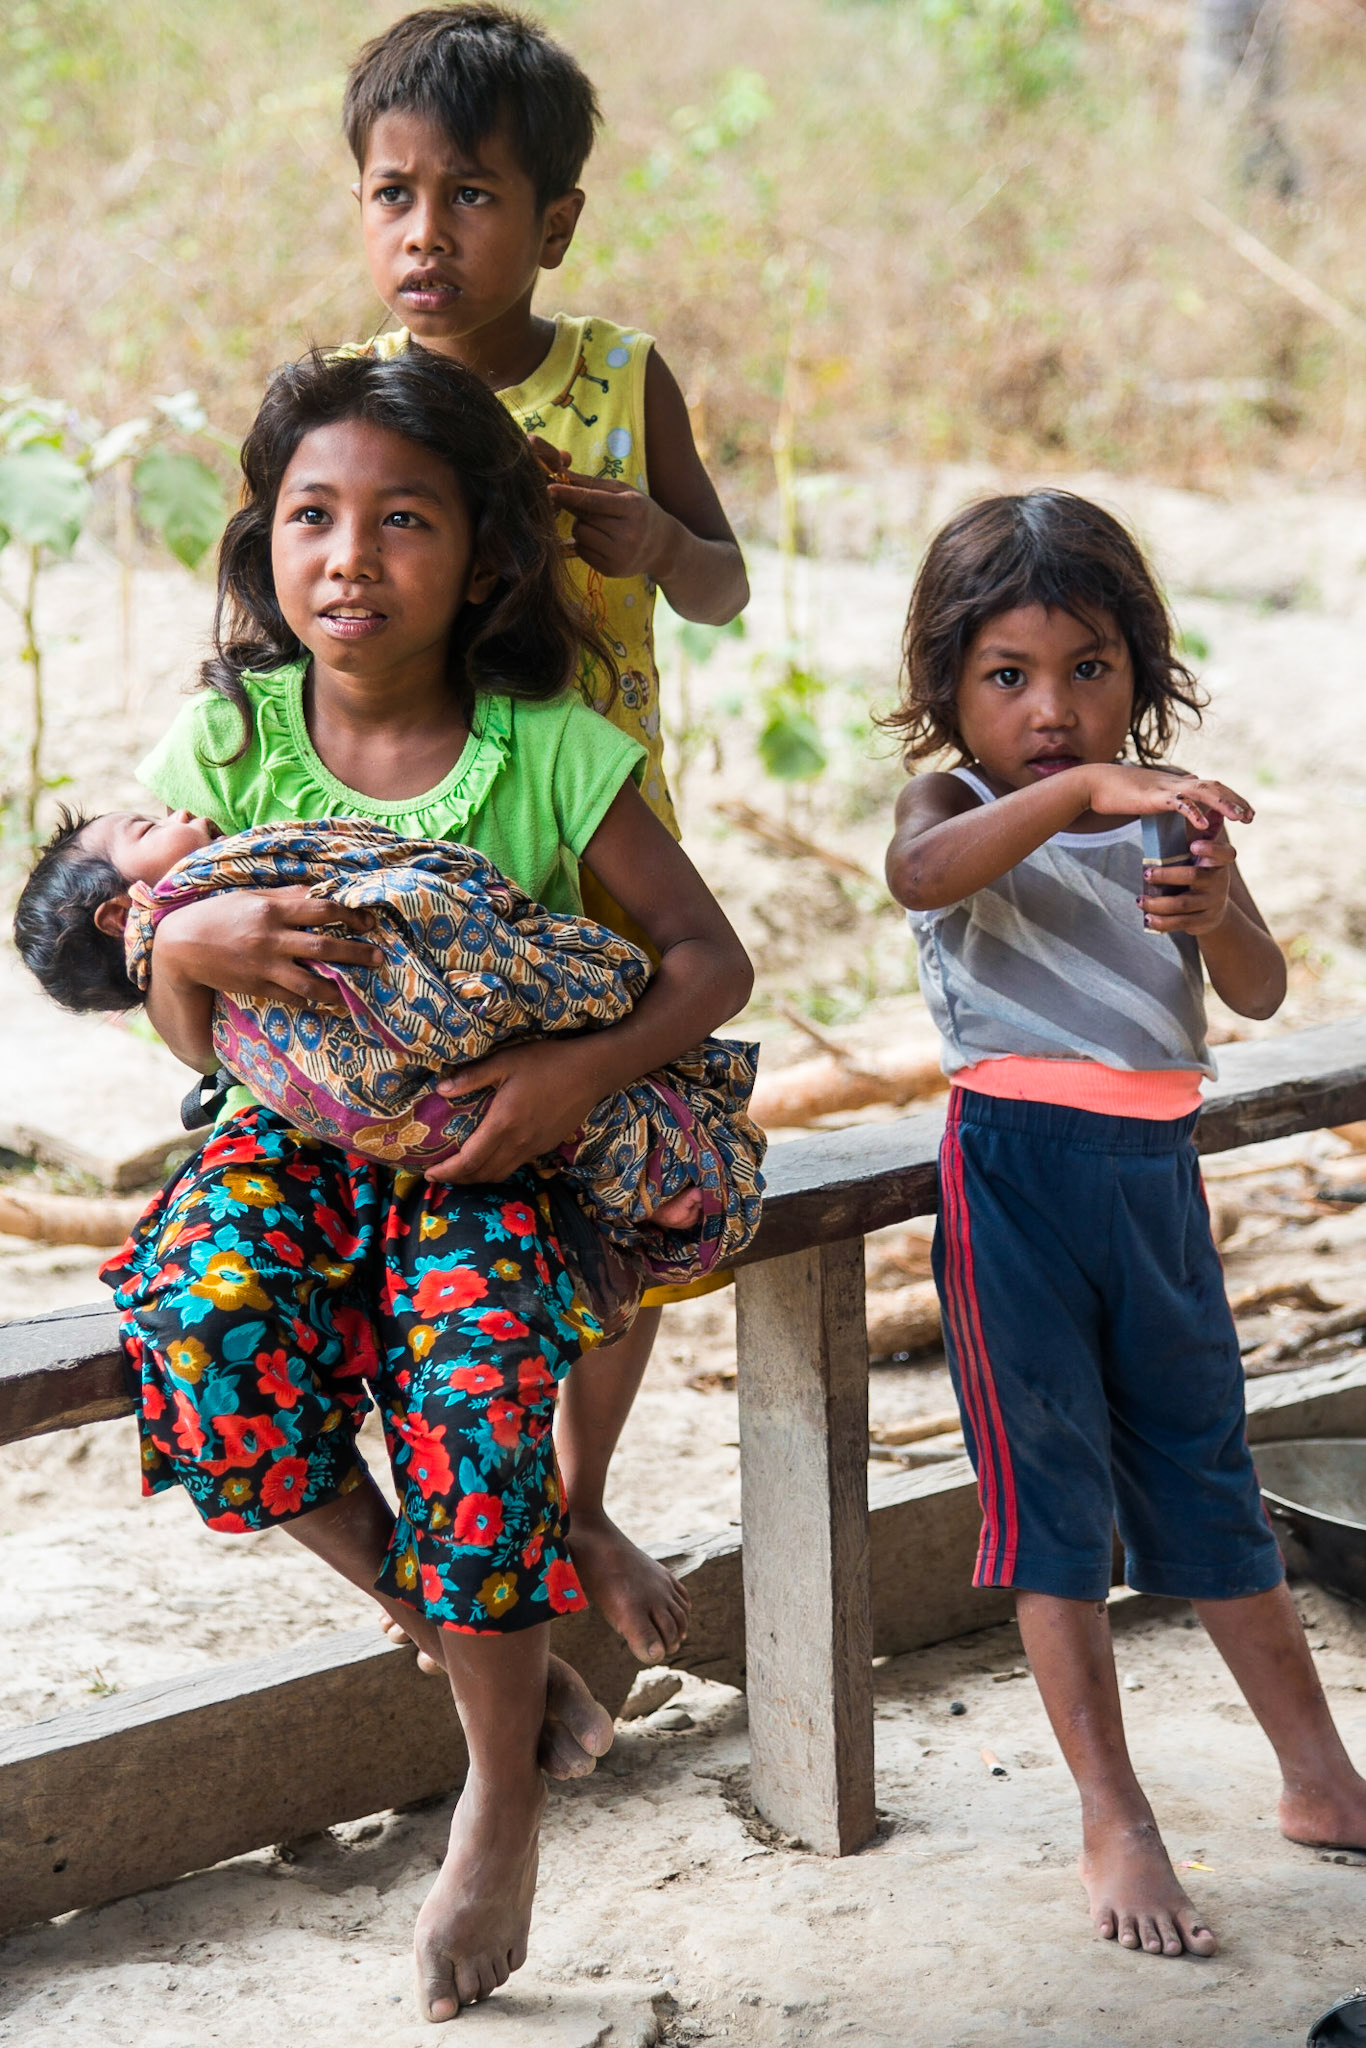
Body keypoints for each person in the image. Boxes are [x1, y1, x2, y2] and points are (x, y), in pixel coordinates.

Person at [96, 345, 753, 2020]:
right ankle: (486, 1667)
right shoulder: (225, 740)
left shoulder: (551, 751)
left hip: (483, 1148)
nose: (350, 557)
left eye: (403, 520)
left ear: (484, 558)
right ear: (263, 543)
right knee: (204, 1323)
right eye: (312, 516)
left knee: (476, 1382)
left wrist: (571, 1076)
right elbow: (182, 1025)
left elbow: (708, 962)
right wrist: (188, 947)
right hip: (281, 1144)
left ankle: (498, 1803)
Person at [884, 487, 1366, 1960]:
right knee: (1052, 1506)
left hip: (1153, 1181)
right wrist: (1082, 789)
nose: (1051, 708)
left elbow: (1258, 990)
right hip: (1013, 1182)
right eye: (1007, 676)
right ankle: (1115, 1814)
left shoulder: (1166, 812)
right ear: (948, 691)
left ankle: (1320, 1778)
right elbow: (917, 880)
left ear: (1138, 672)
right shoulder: (951, 810)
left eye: (1087, 669)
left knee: (1207, 1469)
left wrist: (1215, 908)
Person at [335, 2, 751, 1671]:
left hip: (609, 857)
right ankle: (482, 1535)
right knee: (461, 1207)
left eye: (472, 196)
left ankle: (579, 1494)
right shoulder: (363, 406)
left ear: (555, 221)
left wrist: (656, 542)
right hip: (435, 873)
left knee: (620, 1187)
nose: (426, 235)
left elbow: (723, 585)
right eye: (393, 195)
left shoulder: (623, 379)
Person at [15, 807, 764, 1289]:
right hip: (384, 1117)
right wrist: (176, 943)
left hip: (498, 1086)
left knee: (537, 1125)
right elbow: (205, 1044)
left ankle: (654, 1175)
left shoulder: (224, 878)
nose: (178, 812)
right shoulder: (199, 889)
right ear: (122, 914)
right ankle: (654, 1173)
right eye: (146, 827)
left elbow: (347, 870)